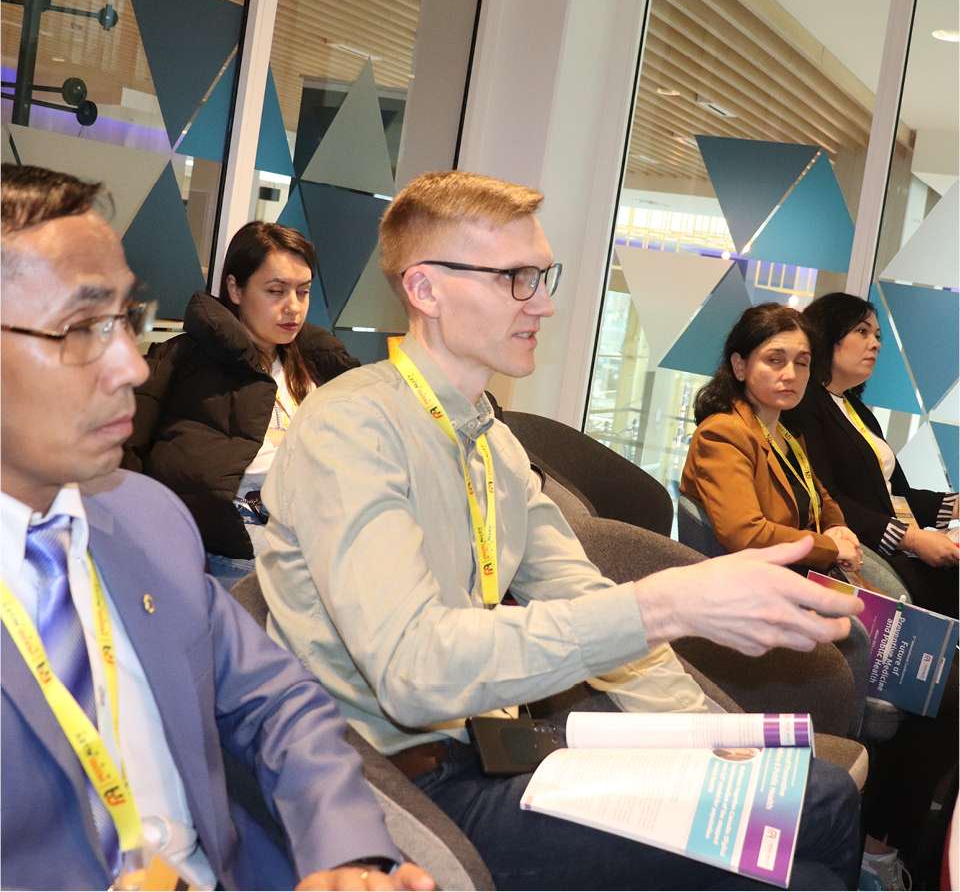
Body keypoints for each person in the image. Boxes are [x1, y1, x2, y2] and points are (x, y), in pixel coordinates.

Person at [258, 170, 866, 890]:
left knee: (804, 808)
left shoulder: (491, 442)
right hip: (407, 794)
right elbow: (414, 672)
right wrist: (665, 605)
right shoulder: (352, 428)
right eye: (516, 278)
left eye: (543, 276)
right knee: (818, 810)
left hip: (499, 750)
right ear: (425, 289)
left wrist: (706, 741)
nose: (543, 302)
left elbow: (583, 595)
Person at [0, 164, 434, 892]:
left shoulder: (144, 520)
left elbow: (279, 704)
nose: (132, 367)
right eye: (81, 328)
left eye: (126, 321)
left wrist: (342, 852)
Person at [123, 221, 358, 589]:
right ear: (235, 288)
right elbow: (124, 457)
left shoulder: (320, 363)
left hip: (312, 557)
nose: (293, 307)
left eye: (303, 292)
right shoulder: (180, 361)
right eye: (276, 291)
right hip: (225, 558)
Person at [783, 292, 958, 618]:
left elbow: (897, 496)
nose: (875, 344)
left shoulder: (855, 408)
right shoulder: (806, 405)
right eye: (862, 332)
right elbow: (827, 498)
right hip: (868, 550)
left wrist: (954, 505)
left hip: (896, 548)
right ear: (827, 334)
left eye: (877, 336)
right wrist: (913, 540)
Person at [681, 303, 864, 579]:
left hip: (795, 575)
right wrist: (829, 548)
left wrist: (836, 526)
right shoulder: (722, 434)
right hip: (752, 585)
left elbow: (821, 498)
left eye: (801, 363)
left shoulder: (787, 432)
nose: (791, 374)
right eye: (775, 360)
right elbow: (745, 533)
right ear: (740, 366)